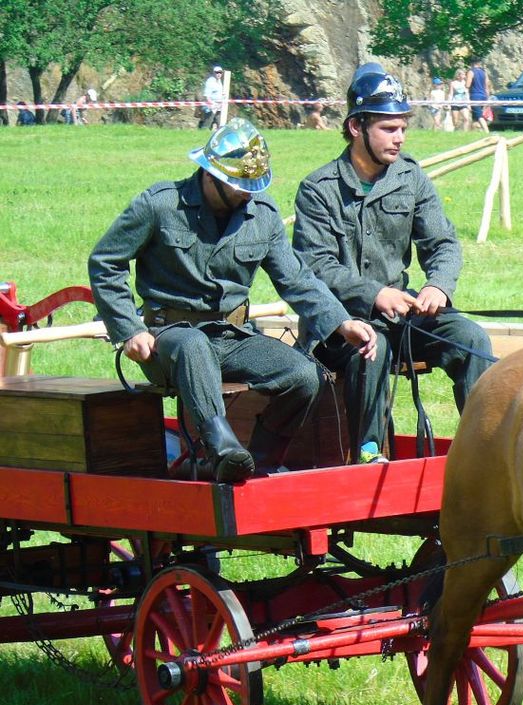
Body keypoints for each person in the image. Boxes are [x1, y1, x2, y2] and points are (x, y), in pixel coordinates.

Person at [88, 118, 377, 482]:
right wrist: (129, 329)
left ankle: (259, 462)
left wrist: (342, 322)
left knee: (305, 374)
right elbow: (105, 262)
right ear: (211, 175)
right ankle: (223, 451)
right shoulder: (160, 205)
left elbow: (297, 279)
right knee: (193, 343)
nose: (249, 194)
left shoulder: (263, 216)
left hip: (230, 337)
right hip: (169, 339)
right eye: (241, 186)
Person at [292, 67, 493, 463]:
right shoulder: (318, 189)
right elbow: (315, 265)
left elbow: (443, 243)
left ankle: (483, 449)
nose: (399, 137)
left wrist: (438, 286)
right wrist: (374, 294)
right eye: (388, 128)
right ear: (356, 127)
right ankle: (368, 452)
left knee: (470, 339)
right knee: (373, 345)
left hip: (403, 316)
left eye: (402, 127)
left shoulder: (412, 179)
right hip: (340, 324)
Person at [467, 57, 493, 133]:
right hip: (483, 95)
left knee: (479, 115)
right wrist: (487, 98)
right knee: (475, 116)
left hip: (475, 96)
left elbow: (467, 85)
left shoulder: (471, 72)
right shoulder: (484, 72)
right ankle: (473, 132)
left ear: (471, 63)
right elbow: (486, 86)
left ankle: (486, 131)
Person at [200, 65, 225, 130]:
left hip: (218, 105)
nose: (219, 74)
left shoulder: (219, 81)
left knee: (218, 122)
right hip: (211, 106)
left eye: (220, 72)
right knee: (207, 122)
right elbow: (207, 96)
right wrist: (211, 105)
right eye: (217, 72)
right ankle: (203, 132)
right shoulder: (210, 81)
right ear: (213, 73)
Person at [449, 68, 471, 132]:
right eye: (463, 74)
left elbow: (467, 94)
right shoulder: (453, 83)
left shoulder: (465, 83)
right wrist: (448, 104)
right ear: (458, 76)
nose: (464, 76)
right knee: (455, 121)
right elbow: (451, 94)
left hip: (463, 103)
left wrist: (468, 104)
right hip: (455, 103)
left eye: (464, 74)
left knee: (466, 118)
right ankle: (455, 131)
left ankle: (465, 133)